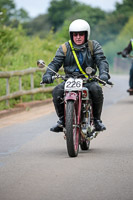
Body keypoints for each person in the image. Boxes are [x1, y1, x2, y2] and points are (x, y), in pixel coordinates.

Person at [42, 19, 110, 132]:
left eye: (81, 34)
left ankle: (97, 120)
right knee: (57, 91)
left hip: (88, 80)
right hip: (69, 79)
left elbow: (101, 61)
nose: (78, 37)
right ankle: (63, 120)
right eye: (75, 34)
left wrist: (104, 73)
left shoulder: (94, 46)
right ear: (71, 35)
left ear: (86, 34)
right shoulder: (64, 48)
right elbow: (55, 63)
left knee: (96, 89)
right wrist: (48, 74)